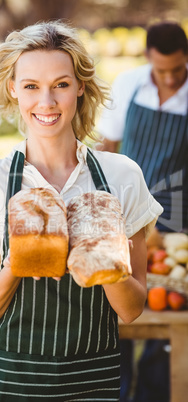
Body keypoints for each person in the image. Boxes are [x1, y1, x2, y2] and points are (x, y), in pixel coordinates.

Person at [0, 21, 162, 401]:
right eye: (31, 86)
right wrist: (18, 262)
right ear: (13, 89)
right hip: (3, 384)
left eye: (60, 84)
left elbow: (132, 309)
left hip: (91, 384)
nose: (46, 102)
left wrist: (105, 263)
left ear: (79, 86)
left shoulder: (122, 176)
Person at [96, 21, 188, 402]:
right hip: (126, 207)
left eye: (177, 70)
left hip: (177, 214)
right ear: (148, 58)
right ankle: (115, 391)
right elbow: (107, 145)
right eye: (161, 69)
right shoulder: (130, 83)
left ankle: (151, 393)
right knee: (117, 304)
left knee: (163, 306)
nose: (168, 78)